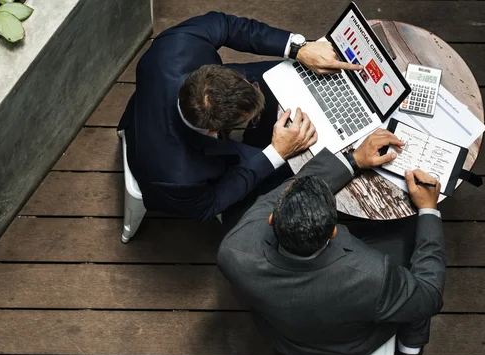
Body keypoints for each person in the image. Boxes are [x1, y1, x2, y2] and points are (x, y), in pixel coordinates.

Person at [217, 117, 446, 355]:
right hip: (348, 346)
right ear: (334, 230)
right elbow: (429, 297)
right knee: (411, 244)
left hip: (284, 336)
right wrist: (429, 209)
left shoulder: (233, 249)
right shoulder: (374, 275)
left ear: (271, 219)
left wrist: (353, 160)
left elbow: (280, 194)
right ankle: (410, 351)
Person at [117, 11, 362, 221]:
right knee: (289, 171)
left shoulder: (177, 44)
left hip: (154, 98)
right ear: (215, 132)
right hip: (162, 154)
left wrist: (298, 48)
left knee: (288, 73)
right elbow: (209, 206)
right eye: (252, 118)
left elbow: (226, 25)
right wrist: (276, 153)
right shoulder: (180, 178)